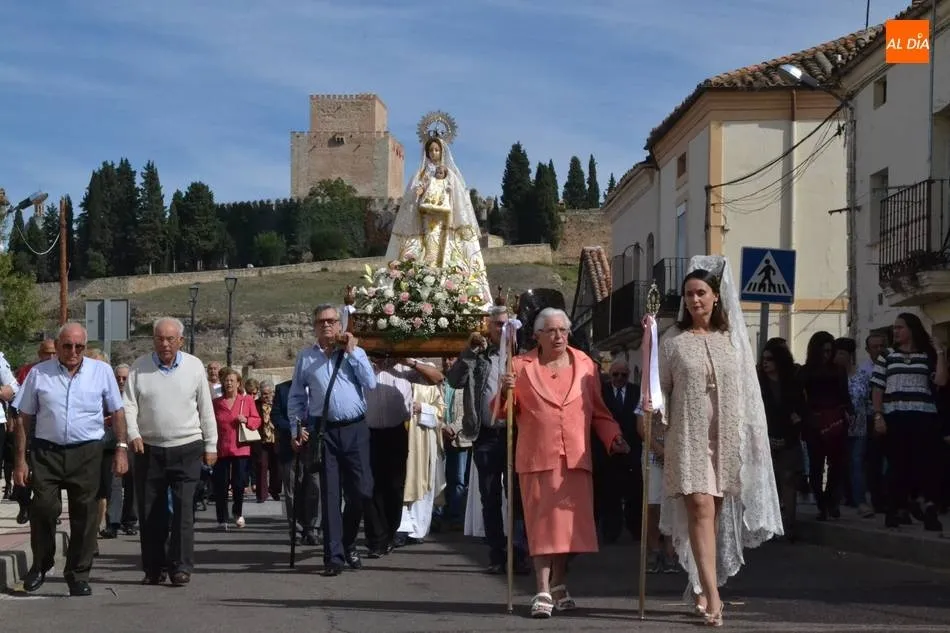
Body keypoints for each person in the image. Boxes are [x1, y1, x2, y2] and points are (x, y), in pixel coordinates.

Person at [655, 257, 782, 627]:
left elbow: (748, 392)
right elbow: (660, 391)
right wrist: (654, 421)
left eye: (701, 293)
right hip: (689, 437)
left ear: (715, 298)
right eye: (689, 294)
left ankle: (699, 581)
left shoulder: (732, 340)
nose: (694, 300)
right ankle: (713, 597)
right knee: (699, 508)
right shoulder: (672, 342)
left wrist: (753, 437)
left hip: (725, 439)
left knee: (713, 517)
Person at [498, 308, 630, 618]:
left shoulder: (586, 365)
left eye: (563, 331)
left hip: (575, 457)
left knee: (568, 530)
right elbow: (503, 413)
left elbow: (599, 412)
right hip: (537, 458)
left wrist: (613, 438)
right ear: (537, 335)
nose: (559, 336)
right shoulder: (520, 365)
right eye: (552, 331)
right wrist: (506, 391)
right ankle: (542, 588)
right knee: (542, 527)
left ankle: (559, 583)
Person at [11, 322, 128, 597]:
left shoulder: (101, 372)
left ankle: (77, 573)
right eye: (67, 346)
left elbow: (117, 411)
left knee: (85, 515)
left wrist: (121, 448)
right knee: (43, 508)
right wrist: (20, 461)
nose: (73, 351)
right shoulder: (40, 373)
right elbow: (24, 417)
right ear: (58, 346)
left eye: (79, 347)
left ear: (85, 348)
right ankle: (41, 564)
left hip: (86, 451)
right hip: (46, 452)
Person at [124, 317, 217, 586]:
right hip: (149, 448)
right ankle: (153, 568)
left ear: (180, 341)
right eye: (159, 339)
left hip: (187, 447)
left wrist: (211, 444)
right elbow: (129, 404)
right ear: (153, 340)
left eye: (170, 339)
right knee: (151, 512)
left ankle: (180, 567)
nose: (164, 344)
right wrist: (133, 433)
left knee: (183, 510)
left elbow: (205, 407)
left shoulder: (194, 366)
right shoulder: (139, 368)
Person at [288, 304, 377, 576]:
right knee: (329, 494)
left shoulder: (355, 353)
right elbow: (296, 397)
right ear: (314, 327)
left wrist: (351, 353)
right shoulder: (306, 358)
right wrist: (296, 428)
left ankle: (348, 541)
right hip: (324, 431)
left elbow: (370, 383)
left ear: (340, 325)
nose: (326, 326)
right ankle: (333, 557)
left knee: (362, 491)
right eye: (321, 322)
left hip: (355, 429)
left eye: (331, 321)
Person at [385, 130, 492, 305]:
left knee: (447, 248)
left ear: (442, 151)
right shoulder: (421, 174)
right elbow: (412, 198)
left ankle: (446, 283)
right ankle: (426, 276)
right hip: (425, 219)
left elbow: (458, 197)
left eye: (437, 150)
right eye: (431, 150)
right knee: (428, 246)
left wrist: (447, 192)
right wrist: (418, 193)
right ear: (426, 152)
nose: (434, 153)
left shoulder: (450, 174)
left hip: (446, 221)